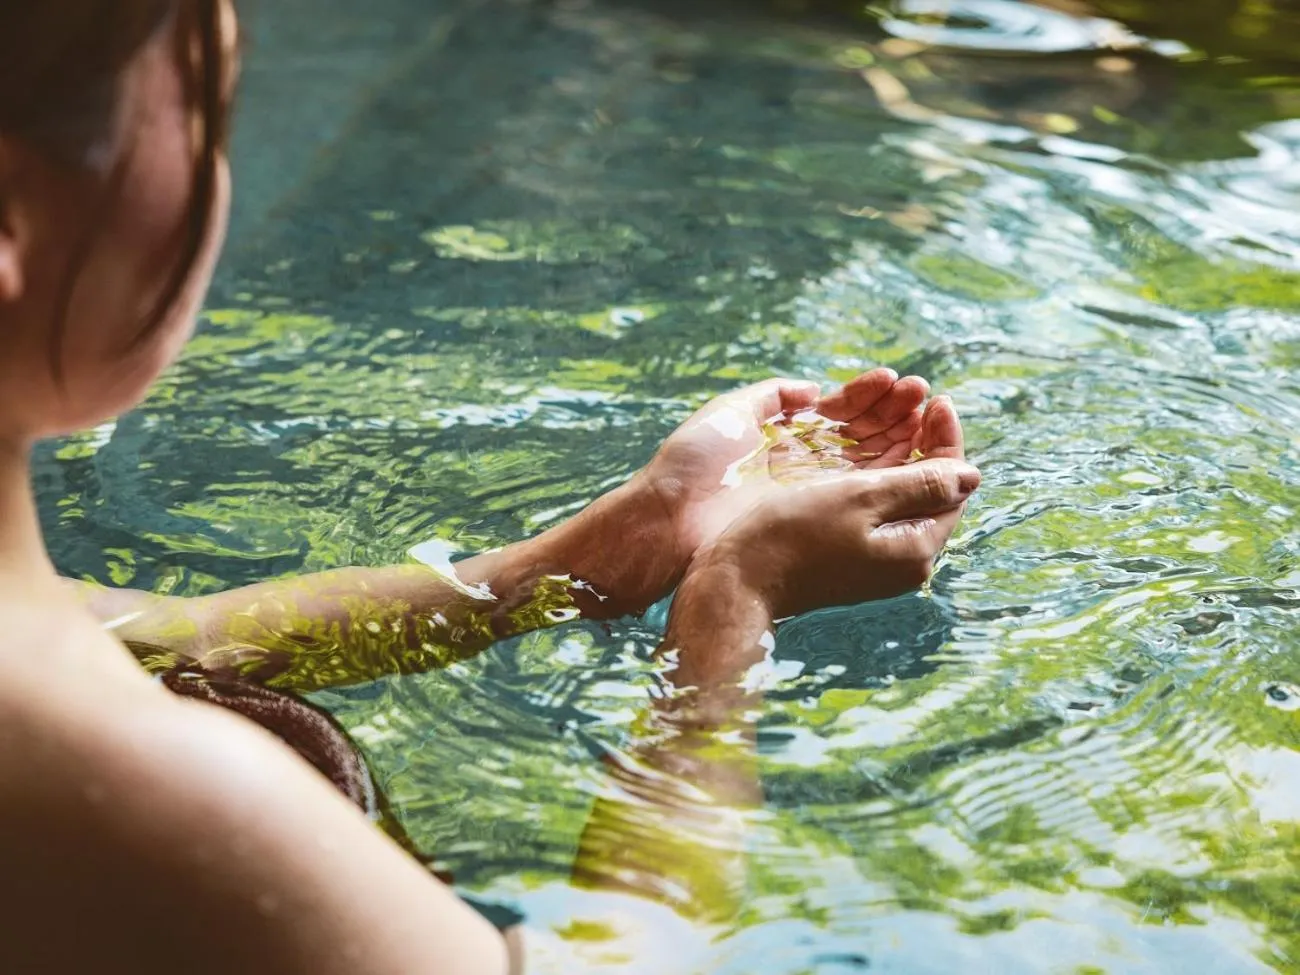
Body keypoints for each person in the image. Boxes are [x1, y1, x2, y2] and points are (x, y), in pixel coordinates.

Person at [0, 1, 981, 971]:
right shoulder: (154, 793)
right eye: (207, 118)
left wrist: (594, 555)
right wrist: (731, 613)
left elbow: (145, 641)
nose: (219, 180)